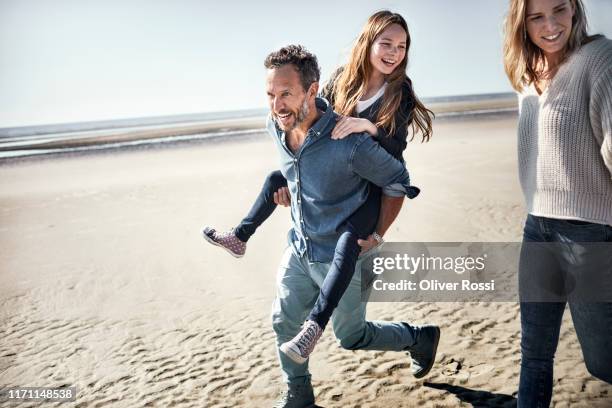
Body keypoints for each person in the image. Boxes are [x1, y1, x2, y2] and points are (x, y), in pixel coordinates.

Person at [202, 11, 437, 367]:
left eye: (401, 46)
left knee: (347, 247)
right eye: (386, 43)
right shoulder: (343, 79)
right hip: (332, 178)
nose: (394, 52)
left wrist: (368, 128)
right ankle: (240, 235)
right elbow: (314, 121)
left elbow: (396, 157)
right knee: (274, 181)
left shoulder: (398, 93)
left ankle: (316, 326)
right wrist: (296, 188)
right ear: (367, 43)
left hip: (369, 192)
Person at [503, 0, 612, 405]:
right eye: (536, 16)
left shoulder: (599, 58)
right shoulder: (526, 76)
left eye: (560, 10)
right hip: (538, 229)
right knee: (533, 355)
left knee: (603, 363)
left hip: (590, 232)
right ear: (522, 23)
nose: (550, 25)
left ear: (575, 9)